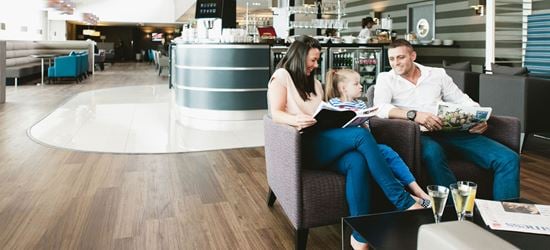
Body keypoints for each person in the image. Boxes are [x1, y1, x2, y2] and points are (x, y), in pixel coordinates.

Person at [267, 35, 423, 250]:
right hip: (302, 144)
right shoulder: (281, 76)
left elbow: (320, 114)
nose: (315, 65)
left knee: (356, 161)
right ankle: (402, 200)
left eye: (317, 60)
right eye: (312, 60)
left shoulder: (314, 83)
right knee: (361, 136)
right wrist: (295, 120)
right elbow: (275, 113)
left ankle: (358, 236)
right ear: (299, 56)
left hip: (322, 139)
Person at [373, 39, 520, 201]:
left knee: (508, 158)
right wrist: (414, 115)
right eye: (392, 59)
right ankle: (453, 211)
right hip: (418, 135)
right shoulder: (386, 79)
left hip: (451, 130)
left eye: (400, 57)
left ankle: (504, 215)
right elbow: (380, 108)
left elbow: (461, 99)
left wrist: (478, 116)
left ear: (413, 56)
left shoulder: (437, 74)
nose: (396, 63)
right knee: (434, 153)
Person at [325, 68, 431, 205]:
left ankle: (417, 190)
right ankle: (409, 196)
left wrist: (364, 121)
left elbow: (367, 129)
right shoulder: (333, 105)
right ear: (343, 88)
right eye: (356, 84)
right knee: (379, 159)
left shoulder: (361, 104)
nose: (361, 86)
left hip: (365, 145)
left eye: (360, 83)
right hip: (345, 147)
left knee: (388, 153)